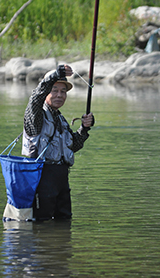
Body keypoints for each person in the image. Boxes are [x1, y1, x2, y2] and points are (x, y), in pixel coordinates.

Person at [22, 64, 94, 221]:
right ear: (47, 91)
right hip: (41, 179)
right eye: (54, 90)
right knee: (42, 223)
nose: (59, 95)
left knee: (64, 222)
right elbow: (35, 98)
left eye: (63, 91)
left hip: (61, 180)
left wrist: (84, 128)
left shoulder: (60, 119)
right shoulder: (36, 115)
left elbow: (72, 146)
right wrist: (53, 76)